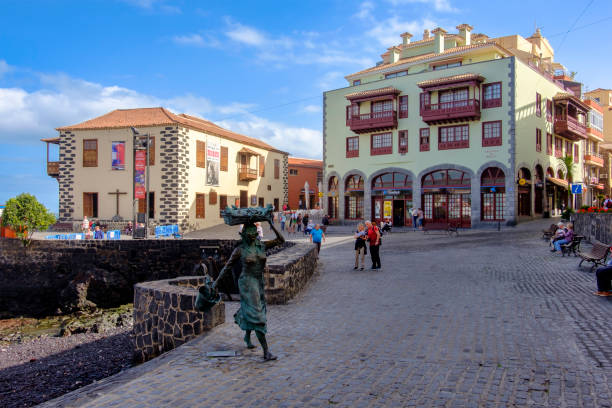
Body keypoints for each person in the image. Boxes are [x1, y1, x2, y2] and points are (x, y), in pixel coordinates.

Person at [213, 220, 285, 361]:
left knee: (253, 309)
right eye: (249, 233)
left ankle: (247, 336)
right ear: (244, 234)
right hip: (247, 282)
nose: (252, 235)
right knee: (257, 314)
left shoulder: (261, 245)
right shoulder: (240, 250)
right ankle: (266, 351)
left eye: (254, 233)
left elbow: (281, 240)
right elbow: (227, 267)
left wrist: (271, 224)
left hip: (258, 281)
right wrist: (216, 282)